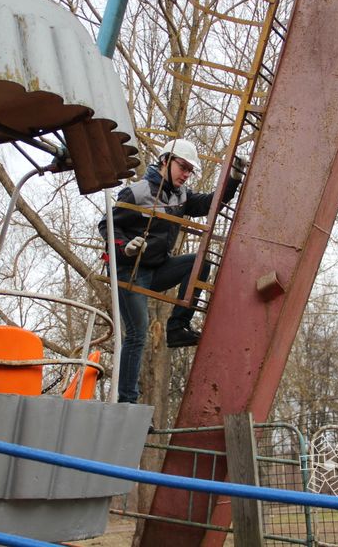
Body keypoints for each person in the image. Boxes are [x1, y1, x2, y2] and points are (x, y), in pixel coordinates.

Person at [98, 138, 244, 404]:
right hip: (129, 270)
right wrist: (124, 247)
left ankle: (177, 327)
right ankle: (127, 401)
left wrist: (233, 180)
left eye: (190, 170)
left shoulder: (180, 196)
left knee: (199, 263)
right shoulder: (137, 192)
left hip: (156, 269)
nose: (186, 174)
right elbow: (107, 225)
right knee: (138, 333)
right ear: (165, 161)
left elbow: (208, 203)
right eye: (183, 167)